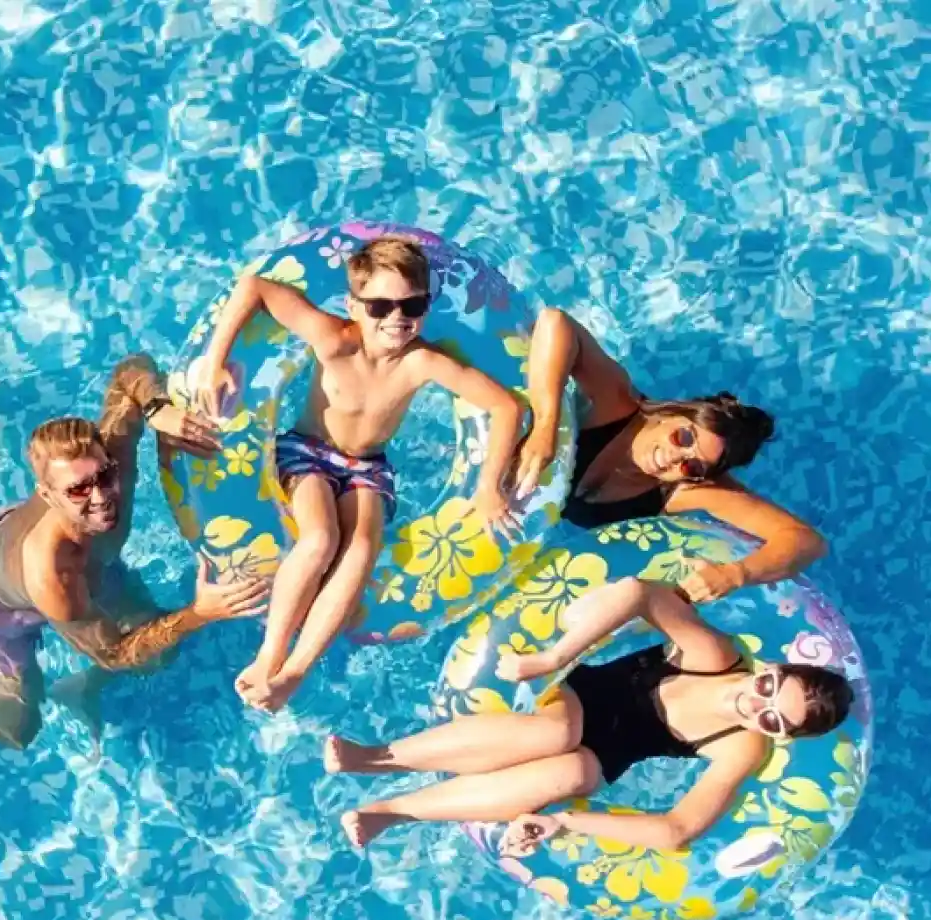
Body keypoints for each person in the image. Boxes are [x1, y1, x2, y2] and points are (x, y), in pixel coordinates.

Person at [0, 355, 270, 750]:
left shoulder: (110, 457)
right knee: (17, 729)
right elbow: (114, 653)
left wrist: (158, 410)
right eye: (78, 489)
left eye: (104, 476)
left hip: (86, 567)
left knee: (161, 651)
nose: (101, 497)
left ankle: (78, 690)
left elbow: (130, 370)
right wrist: (200, 613)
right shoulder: (52, 577)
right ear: (47, 494)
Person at [192, 236, 525, 713]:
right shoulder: (332, 339)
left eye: (412, 304)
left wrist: (490, 486)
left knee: (363, 548)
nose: (396, 318)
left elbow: (505, 405)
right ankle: (270, 655)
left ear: (427, 305)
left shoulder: (421, 362)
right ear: (354, 305)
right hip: (307, 452)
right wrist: (214, 361)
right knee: (321, 539)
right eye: (380, 306)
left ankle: (295, 673)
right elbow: (254, 287)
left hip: (369, 467)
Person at [330, 576, 853, 857]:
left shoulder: (741, 747)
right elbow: (639, 594)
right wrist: (555, 658)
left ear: (777, 736)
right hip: (575, 696)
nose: (754, 705)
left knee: (575, 772)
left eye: (772, 720)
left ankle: (392, 811)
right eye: (768, 689)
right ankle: (378, 758)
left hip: (600, 755)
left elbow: (677, 829)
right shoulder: (715, 658)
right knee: (560, 730)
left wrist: (562, 821)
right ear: (773, 668)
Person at [514, 307, 827, 602]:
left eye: (692, 465)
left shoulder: (684, 490)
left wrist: (736, 574)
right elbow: (555, 321)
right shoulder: (617, 403)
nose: (675, 458)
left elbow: (805, 541)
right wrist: (546, 425)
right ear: (673, 413)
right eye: (683, 437)